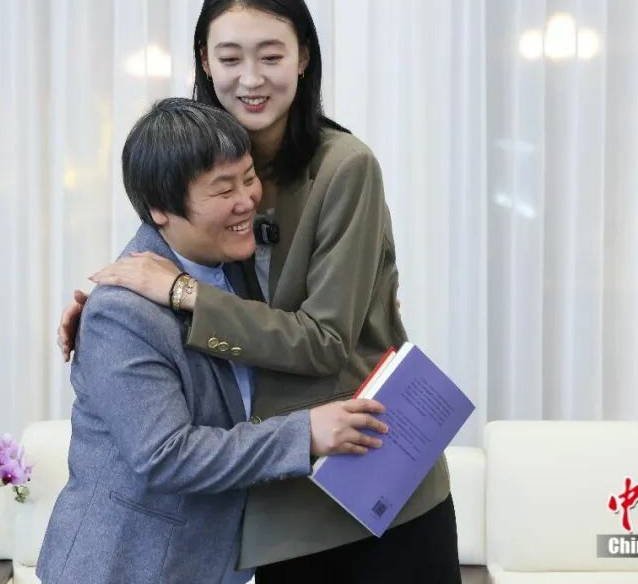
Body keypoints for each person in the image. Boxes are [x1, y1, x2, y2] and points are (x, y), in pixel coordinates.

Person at [61, 0, 460, 582]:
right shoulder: (197, 153)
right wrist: (107, 308)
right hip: (276, 493)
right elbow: (156, 252)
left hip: (371, 468)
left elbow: (325, 341)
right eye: (230, 58)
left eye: (271, 56)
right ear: (204, 61)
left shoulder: (344, 167)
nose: (250, 79)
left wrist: (182, 294)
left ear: (304, 58)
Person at [36, 98, 389, 584]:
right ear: (160, 209)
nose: (247, 200)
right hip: (126, 568)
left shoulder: (236, 268)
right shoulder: (120, 314)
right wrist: (304, 433)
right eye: (224, 189)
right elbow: (166, 455)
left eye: (249, 177)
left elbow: (303, 332)